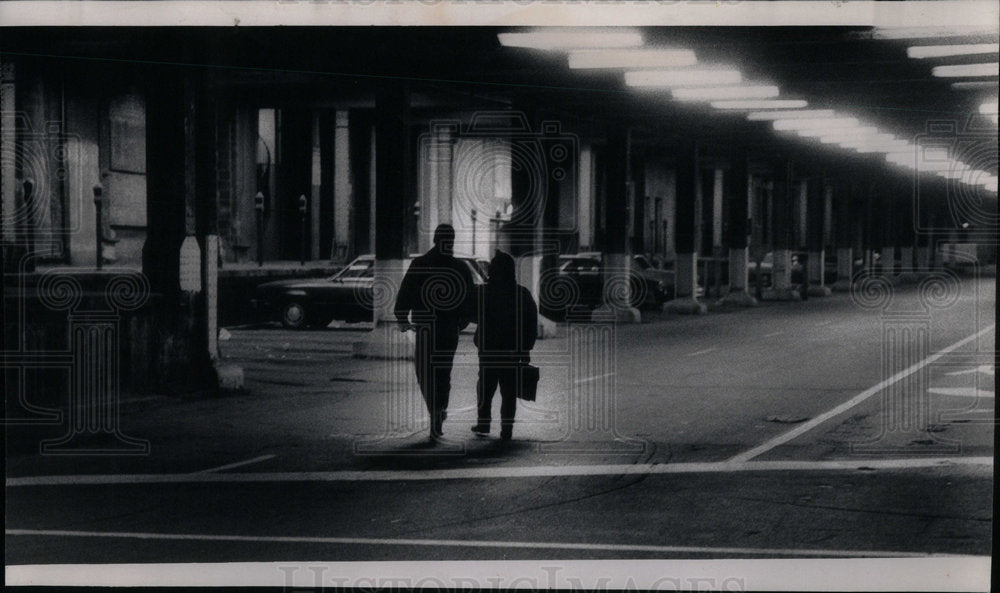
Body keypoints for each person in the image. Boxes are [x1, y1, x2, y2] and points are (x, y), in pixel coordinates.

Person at [394, 224, 474, 440]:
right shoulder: (460, 267)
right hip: (448, 330)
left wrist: (402, 317)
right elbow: (470, 300)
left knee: (424, 373)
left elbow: (405, 293)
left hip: (426, 329)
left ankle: (435, 410)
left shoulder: (420, 264)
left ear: (434, 240)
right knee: (443, 373)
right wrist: (461, 322)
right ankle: (439, 409)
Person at [471, 250, 538, 441]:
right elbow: (531, 323)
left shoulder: (486, 292)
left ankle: (484, 423)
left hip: (489, 351)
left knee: (485, 388)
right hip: (512, 351)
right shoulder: (522, 294)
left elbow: (472, 314)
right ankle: (506, 430)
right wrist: (526, 349)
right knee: (508, 391)